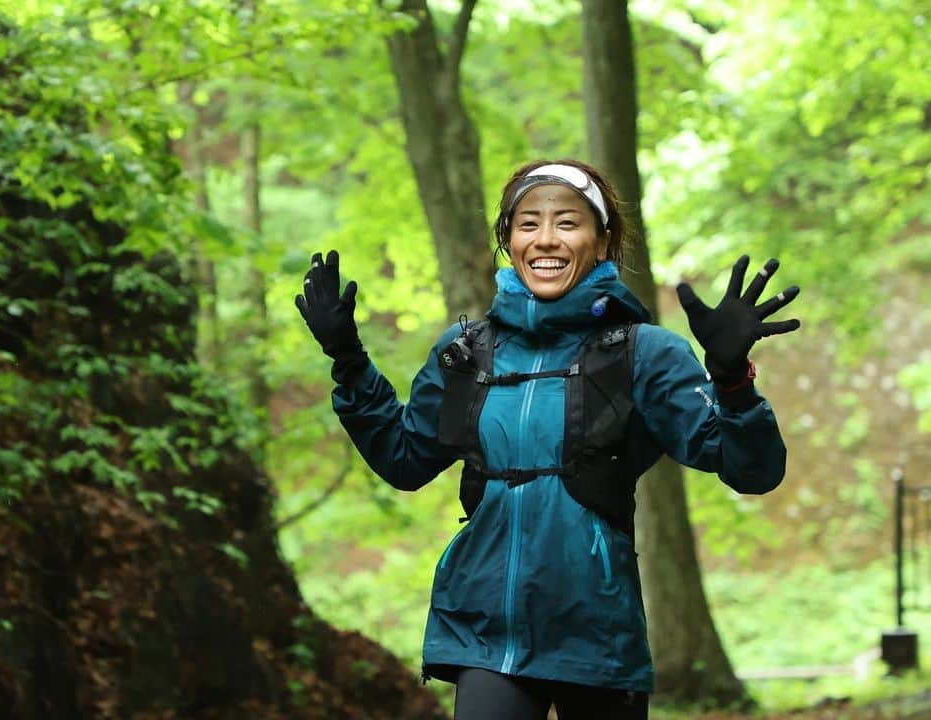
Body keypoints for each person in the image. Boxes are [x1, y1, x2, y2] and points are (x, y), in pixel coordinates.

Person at [295, 159, 799, 720]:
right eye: (528, 223)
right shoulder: (466, 353)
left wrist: (731, 383)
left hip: (598, 636)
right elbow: (403, 458)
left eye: (568, 222)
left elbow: (753, 470)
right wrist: (349, 360)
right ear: (508, 241)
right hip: (485, 634)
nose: (546, 239)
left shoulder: (644, 352)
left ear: (603, 241)